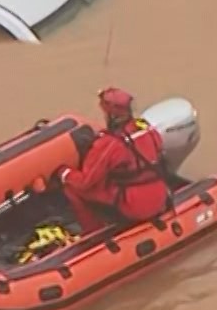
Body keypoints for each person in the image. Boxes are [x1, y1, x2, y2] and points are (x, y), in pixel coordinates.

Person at [57, 87, 171, 234]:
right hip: (159, 195)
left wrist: (63, 173)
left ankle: (93, 233)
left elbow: (85, 182)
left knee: (73, 188)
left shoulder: (109, 144)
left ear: (110, 115)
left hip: (135, 205)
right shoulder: (147, 129)